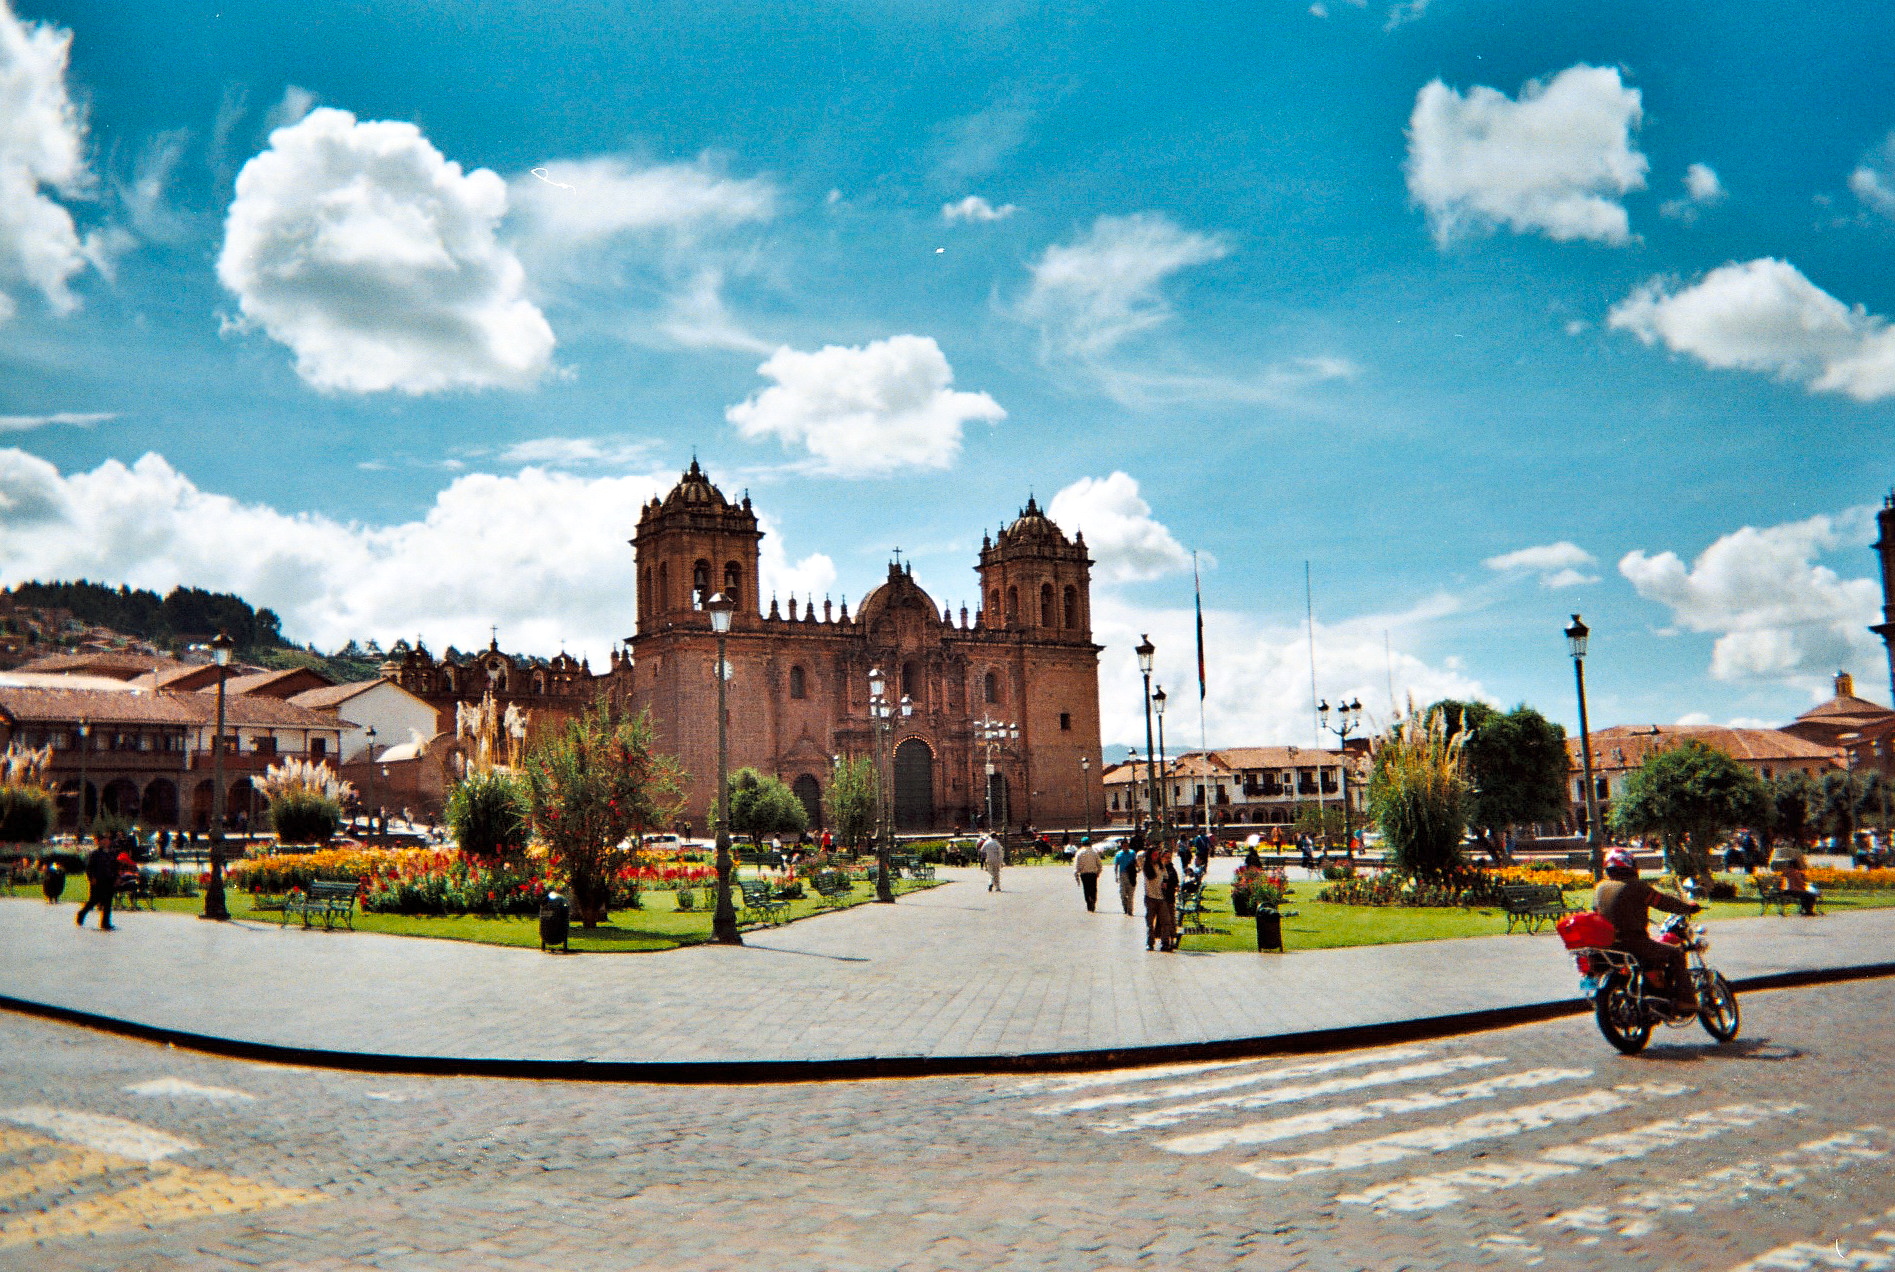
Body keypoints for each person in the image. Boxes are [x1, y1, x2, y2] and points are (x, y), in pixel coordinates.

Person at [1593, 847, 1697, 1012]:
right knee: (1675, 953)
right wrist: (1687, 908)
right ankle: (1686, 1001)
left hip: (1608, 945)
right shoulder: (1637, 886)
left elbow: (1597, 910)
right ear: (1630, 865)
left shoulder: (1600, 888)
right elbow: (1662, 902)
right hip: (1634, 943)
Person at [74, 836, 117, 930]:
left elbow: (114, 866)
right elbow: (89, 868)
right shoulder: (95, 854)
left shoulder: (111, 853)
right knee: (94, 900)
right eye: (104, 840)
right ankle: (82, 913)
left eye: (108, 840)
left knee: (108, 902)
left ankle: (105, 923)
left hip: (109, 880)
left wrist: (116, 878)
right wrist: (91, 878)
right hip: (98, 880)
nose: (107, 842)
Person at [1768, 842, 1820, 916]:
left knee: (1808, 894)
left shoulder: (1787, 871)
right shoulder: (1794, 872)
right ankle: (1808, 911)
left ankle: (1807, 910)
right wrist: (1805, 888)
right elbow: (1796, 884)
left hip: (1787, 890)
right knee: (1809, 895)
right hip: (1791, 890)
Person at [1073, 836, 1102, 912]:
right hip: (1093, 874)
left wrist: (1076, 875)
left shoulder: (1079, 852)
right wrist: (1098, 872)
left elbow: (1076, 865)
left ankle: (1089, 903)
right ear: (1089, 843)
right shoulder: (1094, 852)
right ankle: (1093, 900)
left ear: (1082, 844)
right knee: (1093, 888)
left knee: (1086, 889)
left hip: (1084, 874)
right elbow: (1099, 864)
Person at [1114, 839, 1138, 915]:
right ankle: (1125, 907)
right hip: (1122, 875)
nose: (1126, 847)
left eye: (1127, 845)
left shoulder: (1132, 853)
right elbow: (1116, 866)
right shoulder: (1118, 854)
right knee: (1123, 893)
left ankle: (1130, 910)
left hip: (1131, 875)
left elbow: (1135, 862)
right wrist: (1116, 876)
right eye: (1124, 846)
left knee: (1131, 893)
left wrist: (1138, 868)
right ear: (1121, 846)